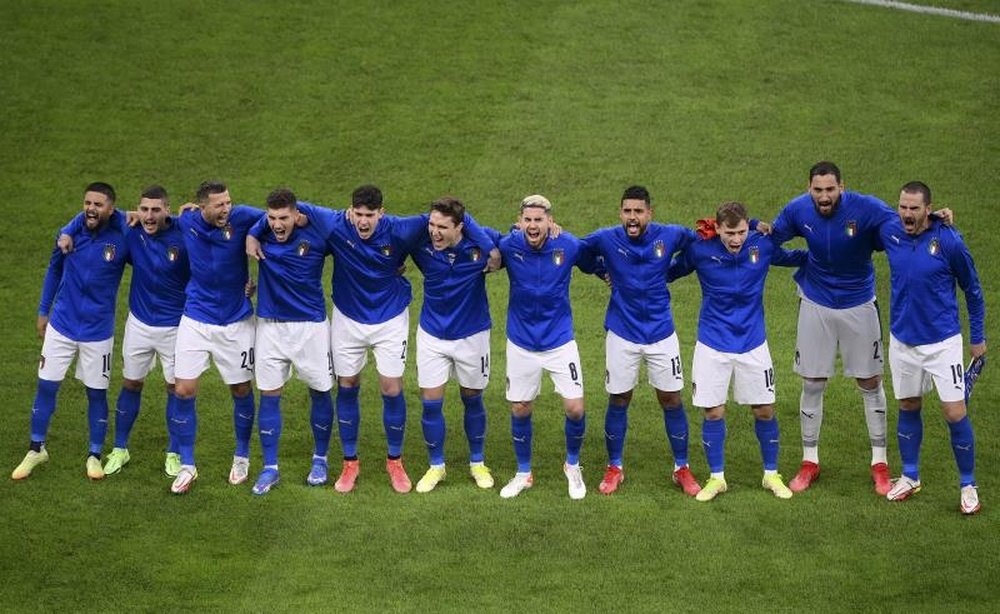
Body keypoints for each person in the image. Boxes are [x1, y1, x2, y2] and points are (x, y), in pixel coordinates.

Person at [255, 186, 496, 494]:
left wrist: (491, 247)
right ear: (350, 211)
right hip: (348, 318)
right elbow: (285, 207)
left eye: (370, 215)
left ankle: (395, 462)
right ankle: (349, 463)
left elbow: (454, 215)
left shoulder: (401, 228)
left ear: (381, 213)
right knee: (347, 385)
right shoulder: (334, 223)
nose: (364, 222)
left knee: (391, 387)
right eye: (359, 215)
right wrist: (254, 232)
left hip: (391, 318)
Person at [767, 161, 897, 495]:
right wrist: (798, 258)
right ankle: (810, 461)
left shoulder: (867, 209)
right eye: (817, 190)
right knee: (812, 381)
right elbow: (769, 243)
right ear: (809, 187)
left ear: (842, 186)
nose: (824, 196)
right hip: (815, 303)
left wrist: (935, 221)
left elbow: (906, 227)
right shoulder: (797, 210)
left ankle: (879, 463)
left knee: (870, 382)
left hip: (859, 304)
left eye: (830, 189)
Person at [667, 201, 806, 501]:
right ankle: (717, 478)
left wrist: (835, 259)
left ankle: (771, 474)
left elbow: (794, 256)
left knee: (765, 410)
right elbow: (668, 271)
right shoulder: (699, 250)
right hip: (712, 344)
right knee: (713, 412)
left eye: (742, 231)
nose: (736, 239)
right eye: (730, 232)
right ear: (717, 229)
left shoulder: (762, 246)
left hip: (753, 343)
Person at [55, 186, 190, 478]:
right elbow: (92, 214)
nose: (149, 216)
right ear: (137, 211)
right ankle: (119, 449)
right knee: (131, 383)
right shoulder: (130, 231)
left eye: (156, 210)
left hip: (175, 327)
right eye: (144, 210)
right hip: (139, 324)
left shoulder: (183, 234)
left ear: (168, 209)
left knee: (176, 390)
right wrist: (65, 231)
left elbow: (208, 260)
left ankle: (175, 453)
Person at [580, 185, 702, 497]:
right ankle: (615, 467)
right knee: (619, 398)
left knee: (671, 399)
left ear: (649, 213)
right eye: (627, 211)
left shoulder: (671, 234)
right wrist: (600, 270)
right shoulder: (606, 238)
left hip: (662, 334)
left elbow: (701, 243)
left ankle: (682, 468)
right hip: (622, 333)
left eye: (638, 211)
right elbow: (578, 252)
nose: (632, 217)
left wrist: (673, 271)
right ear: (620, 213)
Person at [879, 182, 985, 515]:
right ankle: (910, 476)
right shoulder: (890, 232)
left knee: (955, 413)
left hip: (942, 343)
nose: (907, 214)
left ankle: (968, 484)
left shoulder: (949, 241)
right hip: (902, 340)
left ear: (929, 208)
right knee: (908, 405)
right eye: (903, 207)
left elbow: (974, 290)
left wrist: (977, 338)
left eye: (914, 208)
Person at [12, 182, 129, 481]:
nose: (91, 208)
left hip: (98, 331)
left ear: (111, 209)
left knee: (96, 393)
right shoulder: (70, 233)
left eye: (98, 204)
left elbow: (149, 234)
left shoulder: (123, 235)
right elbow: (53, 270)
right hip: (62, 326)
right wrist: (43, 311)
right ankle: (36, 448)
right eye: (87, 203)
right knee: (46, 387)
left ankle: (94, 455)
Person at [497, 195, 598, 500]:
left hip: (560, 341)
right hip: (521, 341)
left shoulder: (568, 245)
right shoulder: (508, 245)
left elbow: (595, 260)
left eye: (538, 220)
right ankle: (523, 472)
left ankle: (572, 465)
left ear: (550, 222)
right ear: (519, 221)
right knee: (520, 407)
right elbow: (480, 242)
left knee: (575, 408)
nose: (532, 225)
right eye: (527, 219)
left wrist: (610, 275)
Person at [169, 181, 264, 494]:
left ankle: (242, 455)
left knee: (240, 389)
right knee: (183, 390)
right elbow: (150, 217)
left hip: (236, 320)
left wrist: (251, 236)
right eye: (219, 205)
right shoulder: (187, 220)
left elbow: (277, 217)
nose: (226, 209)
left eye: (228, 203)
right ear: (201, 207)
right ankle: (187, 465)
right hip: (195, 318)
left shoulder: (242, 217)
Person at [244, 188, 336, 495]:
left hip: (311, 327)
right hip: (270, 327)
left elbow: (352, 237)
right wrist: (256, 232)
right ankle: (270, 468)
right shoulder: (262, 234)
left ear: (297, 216)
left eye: (283, 217)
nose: (277, 224)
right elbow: (231, 216)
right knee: (269, 394)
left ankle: (320, 459)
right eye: (271, 218)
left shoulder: (318, 233)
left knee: (320, 390)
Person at [409, 196, 499, 493]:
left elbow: (519, 241)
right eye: (432, 225)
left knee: (472, 398)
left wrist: (551, 228)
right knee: (430, 402)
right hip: (432, 335)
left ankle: (477, 462)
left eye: (442, 227)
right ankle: (436, 466)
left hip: (472, 336)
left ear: (460, 226)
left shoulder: (480, 244)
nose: (434, 232)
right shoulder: (420, 242)